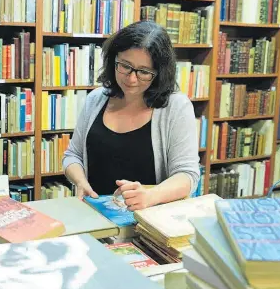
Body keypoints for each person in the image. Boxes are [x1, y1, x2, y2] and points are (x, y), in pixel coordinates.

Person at [62, 21, 200, 211]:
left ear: (159, 73)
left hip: (148, 221)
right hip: (94, 214)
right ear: (113, 60)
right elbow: (73, 156)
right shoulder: (96, 99)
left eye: (144, 72)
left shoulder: (176, 107)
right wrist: (80, 181)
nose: (131, 78)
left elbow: (187, 175)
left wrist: (151, 196)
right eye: (125, 66)